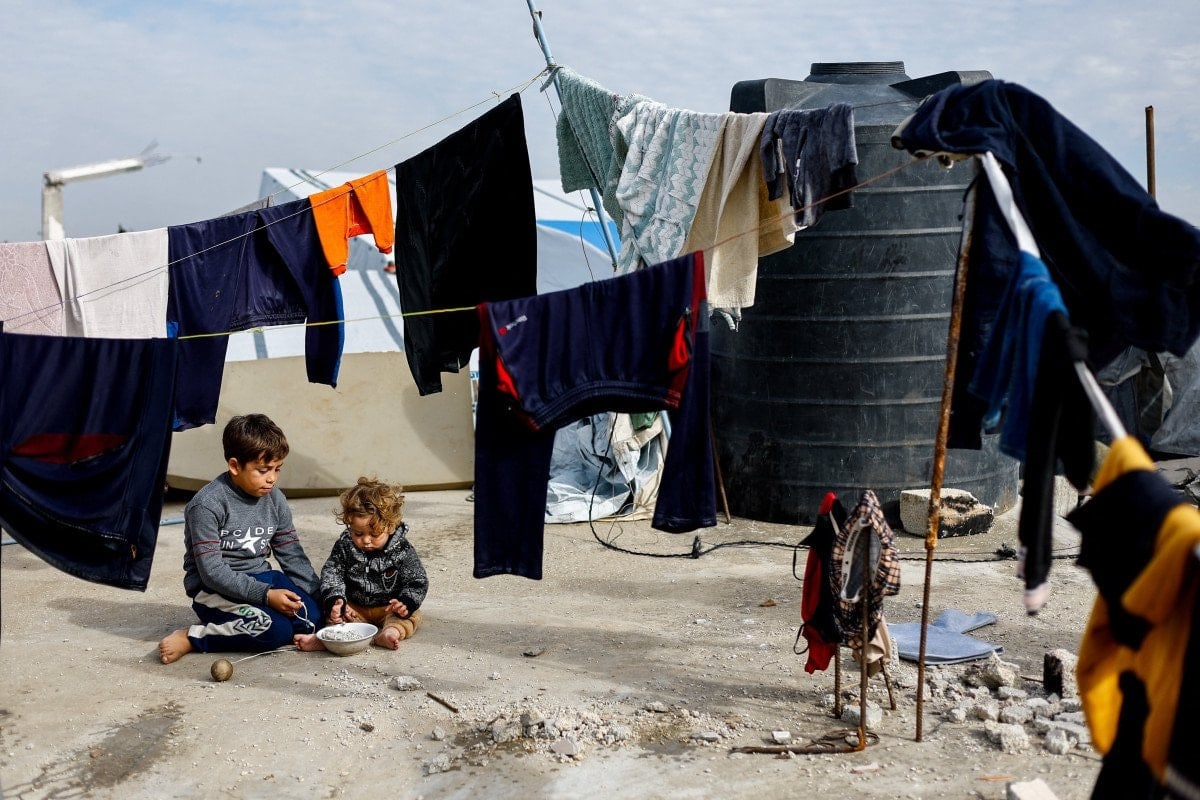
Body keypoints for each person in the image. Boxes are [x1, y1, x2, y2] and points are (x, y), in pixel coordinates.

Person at [158, 414, 321, 664]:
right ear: (235, 466)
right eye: (263, 470)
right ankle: (194, 636)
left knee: (314, 620)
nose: (272, 478)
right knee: (275, 631)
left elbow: (292, 555)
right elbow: (212, 572)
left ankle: (240, 620)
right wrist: (266, 595)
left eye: (277, 469)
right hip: (213, 589)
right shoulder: (207, 505)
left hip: (263, 578)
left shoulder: (275, 499)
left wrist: (325, 598)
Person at [295, 477, 428, 651]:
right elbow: (332, 573)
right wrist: (336, 600)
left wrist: (406, 602)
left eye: (375, 534)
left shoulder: (402, 549)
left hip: (389, 607)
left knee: (411, 615)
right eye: (358, 533)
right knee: (334, 616)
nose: (365, 540)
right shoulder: (345, 546)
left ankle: (390, 633)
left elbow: (417, 579)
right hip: (355, 607)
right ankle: (328, 640)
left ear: (390, 526)